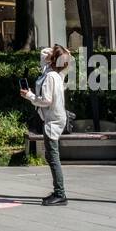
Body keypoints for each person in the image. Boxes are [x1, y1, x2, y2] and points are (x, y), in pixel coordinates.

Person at [22, 44, 71, 206]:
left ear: (53, 59)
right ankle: (59, 191)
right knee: (51, 156)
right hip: (54, 119)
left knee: (53, 157)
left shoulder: (51, 76)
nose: (46, 54)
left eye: (51, 53)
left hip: (53, 121)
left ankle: (60, 194)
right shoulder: (58, 73)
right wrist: (57, 53)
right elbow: (62, 56)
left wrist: (29, 95)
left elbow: (47, 100)